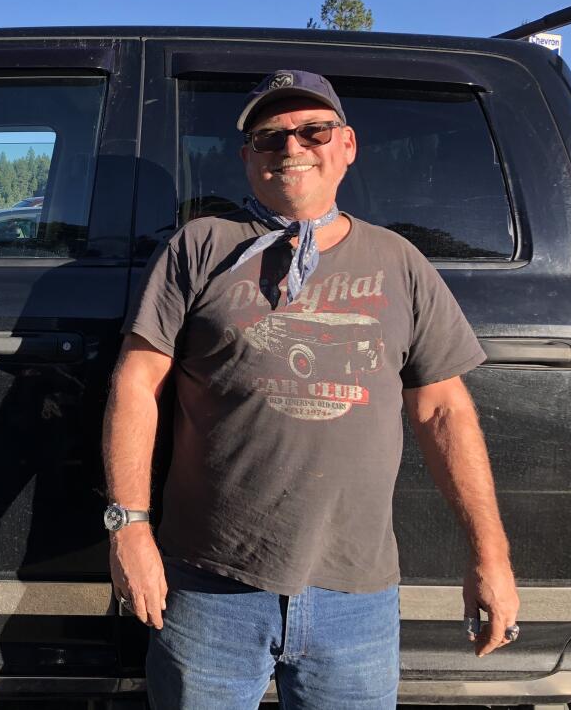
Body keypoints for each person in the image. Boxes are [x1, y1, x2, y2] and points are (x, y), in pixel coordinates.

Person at [102, 70, 519, 709]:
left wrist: (490, 555)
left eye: (313, 131)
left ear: (346, 145)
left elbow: (443, 411)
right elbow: (137, 382)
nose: (292, 148)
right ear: (247, 158)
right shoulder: (202, 247)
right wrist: (129, 528)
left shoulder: (398, 262)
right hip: (212, 588)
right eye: (270, 138)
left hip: (356, 597)